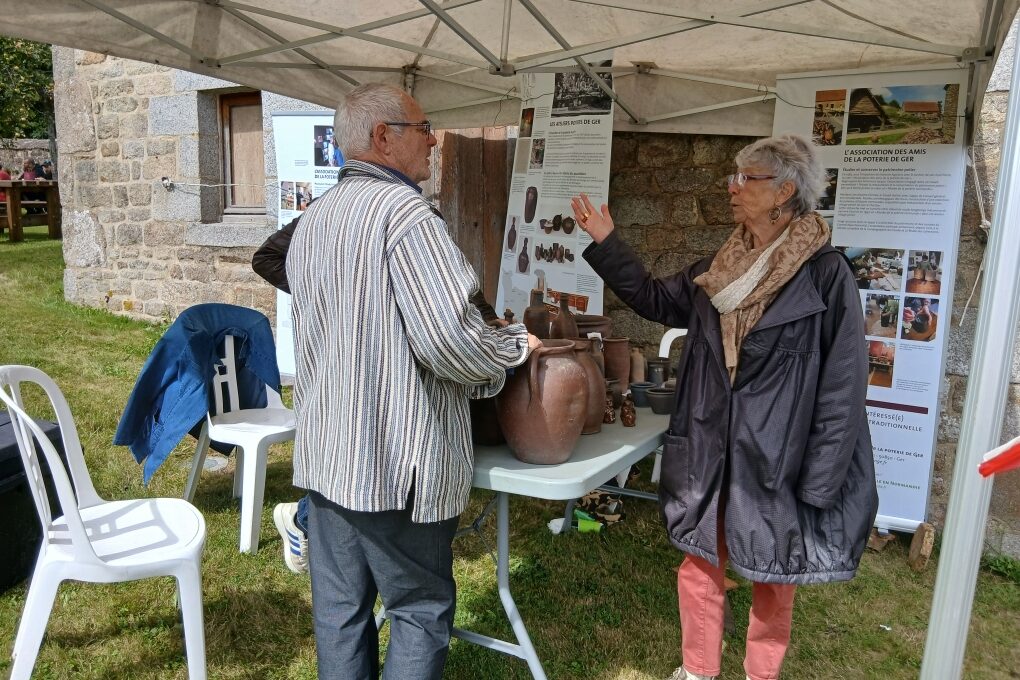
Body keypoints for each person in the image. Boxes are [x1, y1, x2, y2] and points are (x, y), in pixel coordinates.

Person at [571, 134, 878, 680]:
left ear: (784, 191)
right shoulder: (723, 265)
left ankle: (760, 674)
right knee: (699, 566)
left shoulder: (826, 275)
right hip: (711, 447)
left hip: (778, 457)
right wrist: (607, 241)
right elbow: (654, 299)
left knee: (774, 577)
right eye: (733, 177)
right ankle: (698, 671)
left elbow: (844, 384)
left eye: (745, 178)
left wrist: (820, 478)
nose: (731, 187)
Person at [286, 83, 539, 679]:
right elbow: (449, 341)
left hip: (328, 456)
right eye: (423, 128)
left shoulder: (314, 219)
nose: (433, 141)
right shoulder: (405, 216)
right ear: (383, 137)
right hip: (394, 459)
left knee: (341, 613)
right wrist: (513, 348)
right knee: (419, 610)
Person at [252, 200, 506, 577]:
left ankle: (317, 523)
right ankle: (305, 518)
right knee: (354, 446)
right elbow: (267, 258)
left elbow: (450, 289)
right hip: (349, 353)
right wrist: (336, 298)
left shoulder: (415, 214)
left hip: (394, 354)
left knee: (375, 449)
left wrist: (488, 320)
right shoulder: (330, 212)